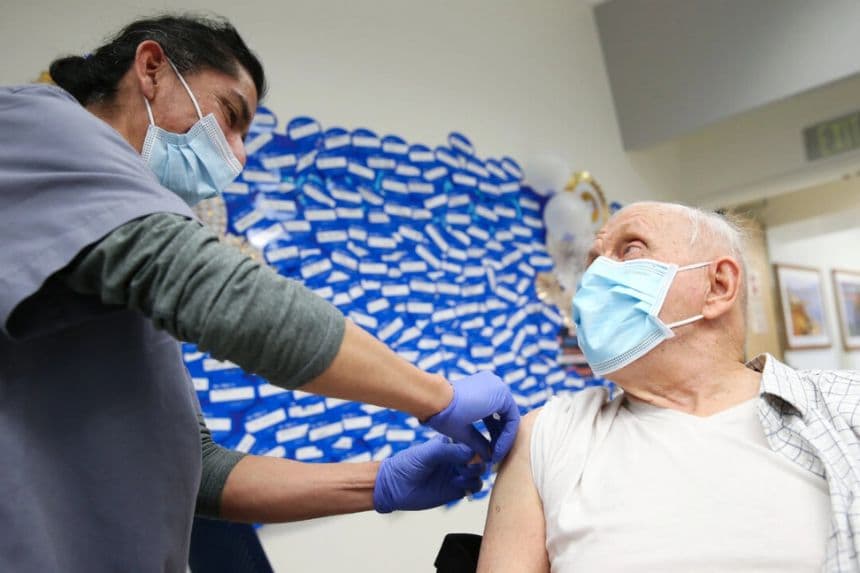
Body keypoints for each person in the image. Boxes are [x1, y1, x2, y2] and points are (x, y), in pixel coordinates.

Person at [0, 14, 520, 572]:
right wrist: (435, 397)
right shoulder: (33, 125)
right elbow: (231, 299)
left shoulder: (120, 261)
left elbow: (196, 469)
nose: (238, 155)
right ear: (151, 68)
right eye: (229, 117)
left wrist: (379, 483)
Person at [478, 202, 860, 573]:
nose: (596, 277)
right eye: (593, 262)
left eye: (630, 249)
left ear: (718, 286)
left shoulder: (844, 408)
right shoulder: (547, 436)